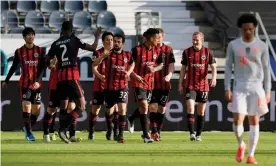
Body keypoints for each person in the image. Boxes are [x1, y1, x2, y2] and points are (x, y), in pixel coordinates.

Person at [224, 14, 271, 164]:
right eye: (245, 29)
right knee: (238, 119)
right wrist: (227, 87)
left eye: (250, 29)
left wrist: (268, 90)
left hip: (256, 87)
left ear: (255, 28)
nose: (248, 32)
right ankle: (241, 144)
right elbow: (227, 67)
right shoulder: (234, 45)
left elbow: (266, 68)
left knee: (254, 120)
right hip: (239, 86)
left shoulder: (262, 46)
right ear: (241, 29)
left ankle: (251, 155)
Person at [47, 21, 101, 144]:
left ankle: (64, 132)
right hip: (71, 77)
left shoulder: (55, 44)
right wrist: (97, 37)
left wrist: (50, 65)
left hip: (60, 79)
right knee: (82, 105)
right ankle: (63, 129)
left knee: (64, 107)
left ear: (62, 29)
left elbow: (47, 59)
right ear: (71, 30)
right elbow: (93, 48)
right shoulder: (74, 40)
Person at [1, 27, 45, 141]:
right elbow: (14, 67)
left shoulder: (40, 51)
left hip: (37, 85)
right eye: (28, 35)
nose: (31, 36)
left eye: (32, 34)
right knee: (26, 107)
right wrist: (6, 80)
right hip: (25, 84)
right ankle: (29, 134)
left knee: (37, 111)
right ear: (24, 37)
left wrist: (37, 81)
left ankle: (27, 128)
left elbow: (42, 68)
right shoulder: (19, 51)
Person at [93, 34, 135, 143]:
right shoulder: (108, 54)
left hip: (122, 86)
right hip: (109, 87)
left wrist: (129, 72)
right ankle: (110, 128)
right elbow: (94, 64)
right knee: (109, 111)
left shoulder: (127, 55)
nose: (115, 43)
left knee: (122, 109)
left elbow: (133, 64)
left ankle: (120, 135)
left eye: (118, 42)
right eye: (114, 41)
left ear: (123, 43)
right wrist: (102, 56)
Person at [178, 31, 217, 142]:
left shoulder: (208, 52)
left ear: (202, 40)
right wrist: (180, 84)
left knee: (201, 111)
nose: (195, 42)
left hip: (203, 86)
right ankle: (191, 134)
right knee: (190, 107)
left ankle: (199, 134)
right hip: (190, 85)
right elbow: (183, 69)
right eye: (193, 39)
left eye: (197, 40)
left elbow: (213, 67)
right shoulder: (187, 52)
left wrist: (213, 78)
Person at [130, 28, 164, 143]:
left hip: (150, 83)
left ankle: (132, 119)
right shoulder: (137, 50)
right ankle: (146, 136)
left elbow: (161, 65)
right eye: (156, 37)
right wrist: (135, 76)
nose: (158, 39)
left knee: (144, 108)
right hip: (138, 82)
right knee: (144, 106)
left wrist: (154, 69)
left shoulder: (158, 50)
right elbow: (128, 67)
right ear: (150, 38)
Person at [148, 28, 175, 141]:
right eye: (156, 36)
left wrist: (169, 75)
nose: (157, 38)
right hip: (151, 83)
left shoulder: (168, 49)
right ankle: (154, 131)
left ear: (163, 36)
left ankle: (157, 131)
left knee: (162, 109)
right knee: (153, 107)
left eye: (159, 36)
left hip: (164, 84)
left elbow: (171, 64)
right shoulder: (150, 49)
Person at [89, 32, 114, 140]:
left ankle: (110, 131)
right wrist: (100, 76)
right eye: (107, 39)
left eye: (111, 39)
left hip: (111, 87)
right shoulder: (97, 52)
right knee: (96, 110)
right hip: (99, 86)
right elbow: (93, 67)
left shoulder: (116, 54)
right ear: (103, 42)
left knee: (110, 110)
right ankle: (91, 132)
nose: (110, 41)